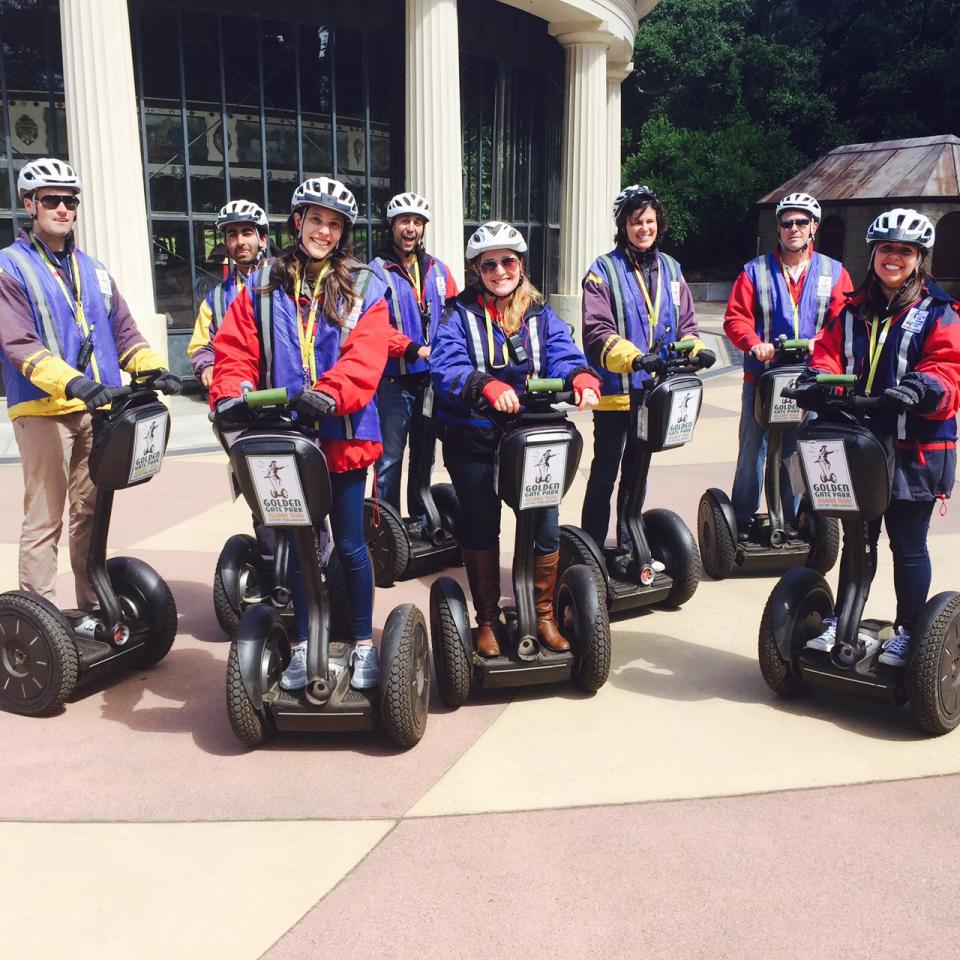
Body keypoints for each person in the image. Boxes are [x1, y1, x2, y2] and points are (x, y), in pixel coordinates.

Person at [210, 177, 390, 690]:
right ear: (298, 222)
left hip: (344, 432)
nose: (324, 231)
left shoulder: (365, 285)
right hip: (285, 435)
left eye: (335, 224)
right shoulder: (263, 283)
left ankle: (359, 643)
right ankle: (308, 643)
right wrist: (233, 389)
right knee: (298, 543)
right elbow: (235, 348)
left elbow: (368, 354)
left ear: (344, 233)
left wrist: (331, 392)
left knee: (351, 543)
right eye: (316, 220)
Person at [0, 157, 180, 611]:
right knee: (45, 519)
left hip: (99, 410)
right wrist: (74, 383)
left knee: (89, 514)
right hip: (43, 412)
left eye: (70, 201)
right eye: (52, 200)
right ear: (30, 205)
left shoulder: (94, 270)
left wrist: (152, 367)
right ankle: (39, 620)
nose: (63, 208)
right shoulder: (10, 267)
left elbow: (123, 332)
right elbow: (18, 343)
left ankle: (90, 606)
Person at [794, 209, 960, 665]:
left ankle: (908, 631)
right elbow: (828, 355)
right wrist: (815, 379)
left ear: (918, 259)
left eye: (904, 251)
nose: (894, 257)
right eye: (887, 248)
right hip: (860, 444)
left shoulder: (938, 312)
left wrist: (920, 389)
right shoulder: (850, 310)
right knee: (857, 539)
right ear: (873, 254)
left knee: (907, 543)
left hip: (915, 449)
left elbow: (949, 371)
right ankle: (844, 622)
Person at [431, 221, 601, 657]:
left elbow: (564, 351)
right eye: (490, 264)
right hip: (474, 436)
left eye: (508, 261)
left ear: (520, 265)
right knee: (481, 521)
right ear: (477, 270)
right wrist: (483, 385)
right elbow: (446, 364)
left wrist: (580, 376)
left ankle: (542, 615)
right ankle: (487, 619)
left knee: (544, 518)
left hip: (529, 434)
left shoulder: (540, 315)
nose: (500, 270)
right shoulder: (457, 313)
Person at [580, 184, 708, 552]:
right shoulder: (602, 270)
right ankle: (590, 548)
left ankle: (629, 544)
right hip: (616, 393)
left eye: (650, 221)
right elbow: (596, 329)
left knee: (638, 473)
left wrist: (697, 350)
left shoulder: (671, 269)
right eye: (636, 222)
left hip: (654, 393)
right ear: (623, 225)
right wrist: (633, 357)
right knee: (605, 472)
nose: (644, 229)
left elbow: (687, 323)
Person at [724, 192, 852, 540]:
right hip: (763, 376)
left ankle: (792, 517)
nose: (793, 228)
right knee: (753, 448)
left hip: (808, 379)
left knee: (797, 449)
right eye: (787, 223)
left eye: (801, 222)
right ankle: (743, 520)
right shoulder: (755, 271)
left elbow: (843, 321)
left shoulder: (833, 272)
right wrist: (754, 343)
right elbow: (736, 318)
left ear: (814, 227)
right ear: (778, 229)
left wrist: (821, 341)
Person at [370, 192, 459, 523]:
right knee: (390, 458)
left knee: (424, 456)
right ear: (391, 226)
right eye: (404, 221)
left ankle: (422, 519)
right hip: (394, 381)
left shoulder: (438, 270)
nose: (411, 228)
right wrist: (414, 348)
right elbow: (373, 327)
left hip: (431, 381)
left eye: (418, 222)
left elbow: (454, 315)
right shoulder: (375, 272)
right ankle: (387, 526)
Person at [187, 200, 270, 389]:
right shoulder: (215, 298)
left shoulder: (286, 281)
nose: (240, 242)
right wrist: (207, 365)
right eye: (233, 235)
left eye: (247, 233)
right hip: (237, 395)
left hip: (282, 392)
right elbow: (200, 346)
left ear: (263, 239)